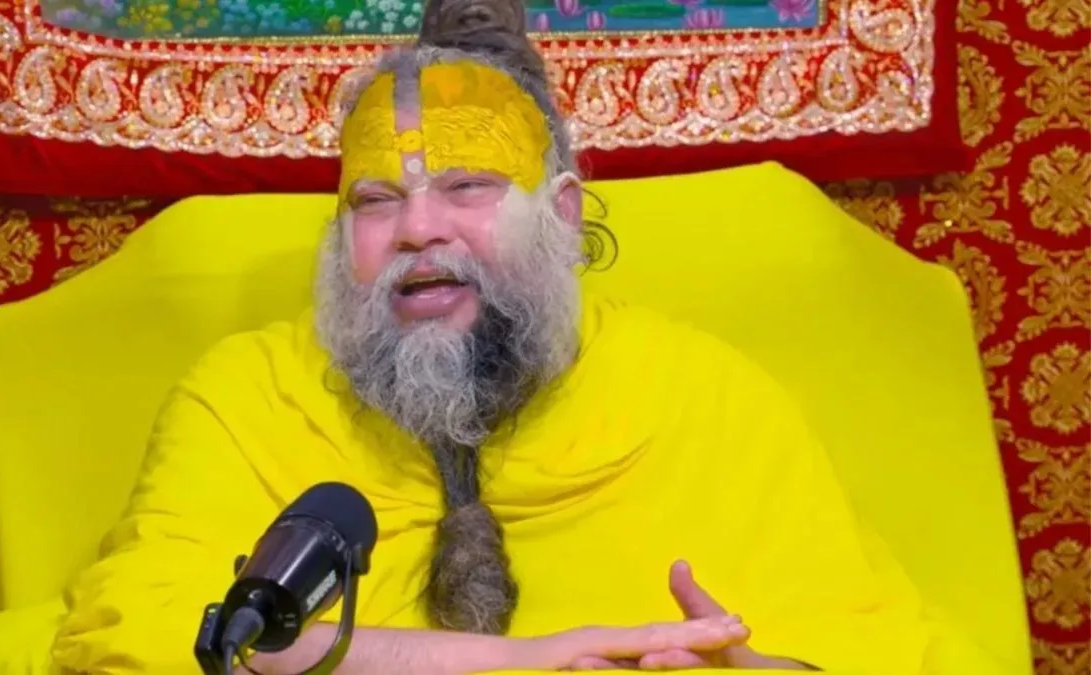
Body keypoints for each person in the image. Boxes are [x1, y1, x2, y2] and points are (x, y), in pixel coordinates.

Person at [50, 0, 996, 673]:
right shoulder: (249, 393)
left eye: (467, 187)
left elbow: (885, 645)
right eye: (376, 201)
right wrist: (515, 662)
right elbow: (131, 636)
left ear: (563, 215)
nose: (419, 228)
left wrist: (764, 670)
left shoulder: (703, 391)